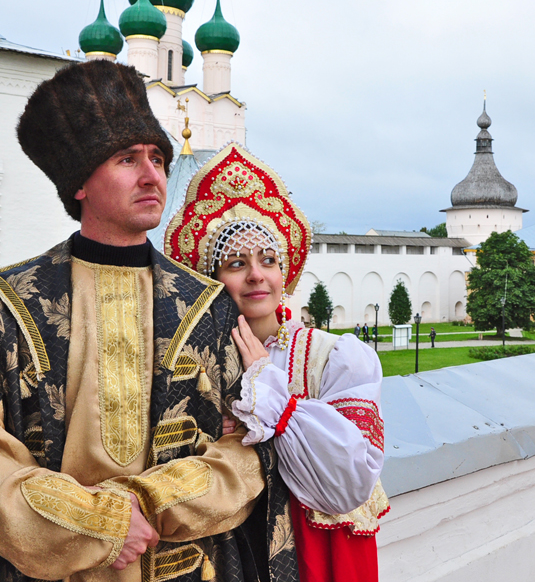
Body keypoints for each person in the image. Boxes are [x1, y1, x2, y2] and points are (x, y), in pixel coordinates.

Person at [0, 61, 297, 582]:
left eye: (157, 158)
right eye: (127, 159)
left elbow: (249, 454)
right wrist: (98, 521)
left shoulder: (208, 305)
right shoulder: (5, 305)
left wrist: (152, 502)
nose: (153, 174)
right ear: (80, 183)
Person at [165, 144, 389, 582]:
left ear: (285, 271)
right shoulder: (194, 365)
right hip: (228, 548)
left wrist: (274, 403)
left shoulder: (330, 357)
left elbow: (350, 480)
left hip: (314, 548)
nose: (256, 275)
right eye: (235, 263)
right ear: (213, 279)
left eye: (268, 259)